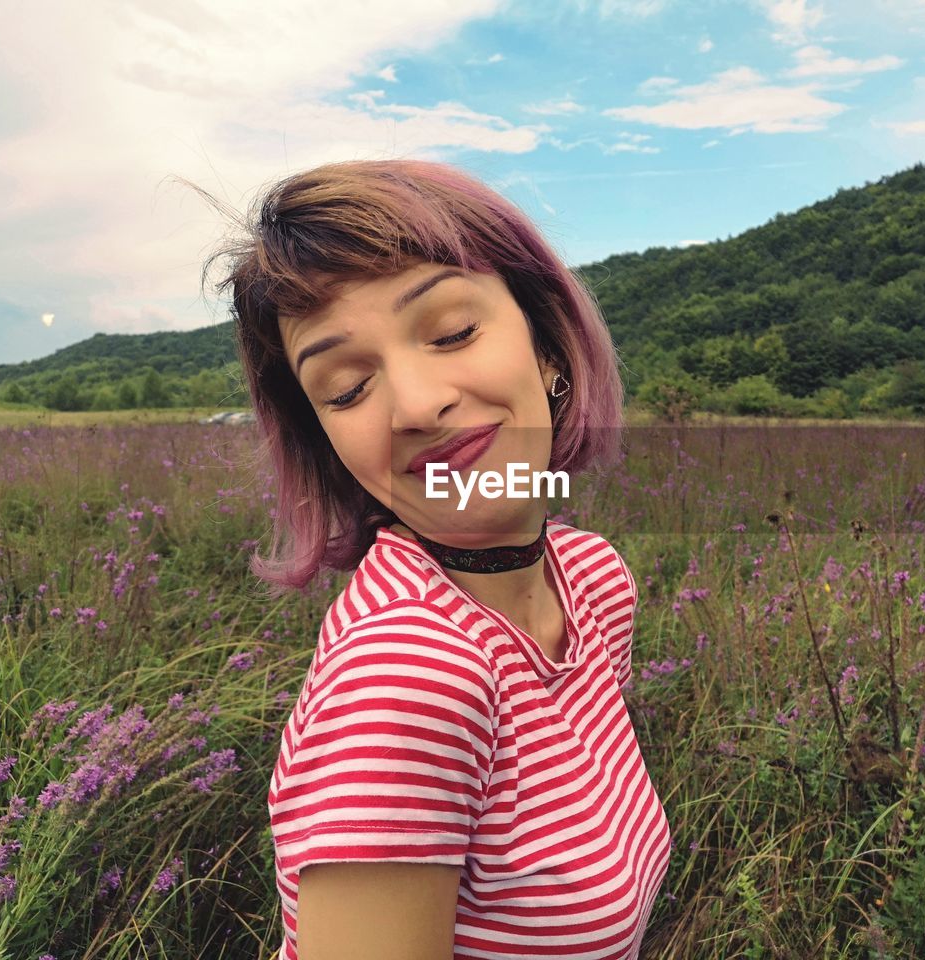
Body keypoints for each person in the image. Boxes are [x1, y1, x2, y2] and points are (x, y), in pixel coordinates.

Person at [209, 159, 671, 960]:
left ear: (548, 346)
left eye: (453, 331)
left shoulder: (593, 580)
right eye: (348, 388)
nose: (418, 404)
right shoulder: (406, 679)